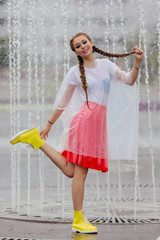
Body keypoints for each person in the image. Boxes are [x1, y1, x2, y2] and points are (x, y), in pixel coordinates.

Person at [10, 32, 143, 234]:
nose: (82, 46)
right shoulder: (74, 72)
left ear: (91, 42)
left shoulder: (106, 65)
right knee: (79, 173)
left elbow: (129, 80)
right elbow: (63, 101)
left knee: (71, 171)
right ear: (76, 52)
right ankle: (78, 220)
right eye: (78, 46)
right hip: (85, 123)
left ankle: (34, 138)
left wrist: (137, 63)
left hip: (95, 124)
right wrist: (49, 124)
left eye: (84, 42)